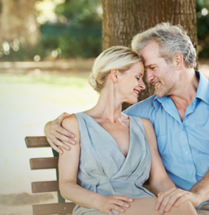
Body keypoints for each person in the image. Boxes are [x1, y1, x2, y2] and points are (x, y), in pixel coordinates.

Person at [45, 23, 209, 215]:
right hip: (198, 209)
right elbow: (97, 123)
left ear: (178, 61)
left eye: (152, 68)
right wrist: (52, 126)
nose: (148, 80)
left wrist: (192, 196)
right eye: (142, 74)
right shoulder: (142, 115)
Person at [56, 46, 197, 215]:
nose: (143, 85)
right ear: (115, 75)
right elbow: (66, 185)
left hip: (140, 205)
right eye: (138, 77)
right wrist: (101, 202)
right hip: (99, 209)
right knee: (181, 208)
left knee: (181, 204)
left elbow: (160, 179)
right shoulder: (75, 124)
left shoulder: (143, 126)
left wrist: (174, 197)